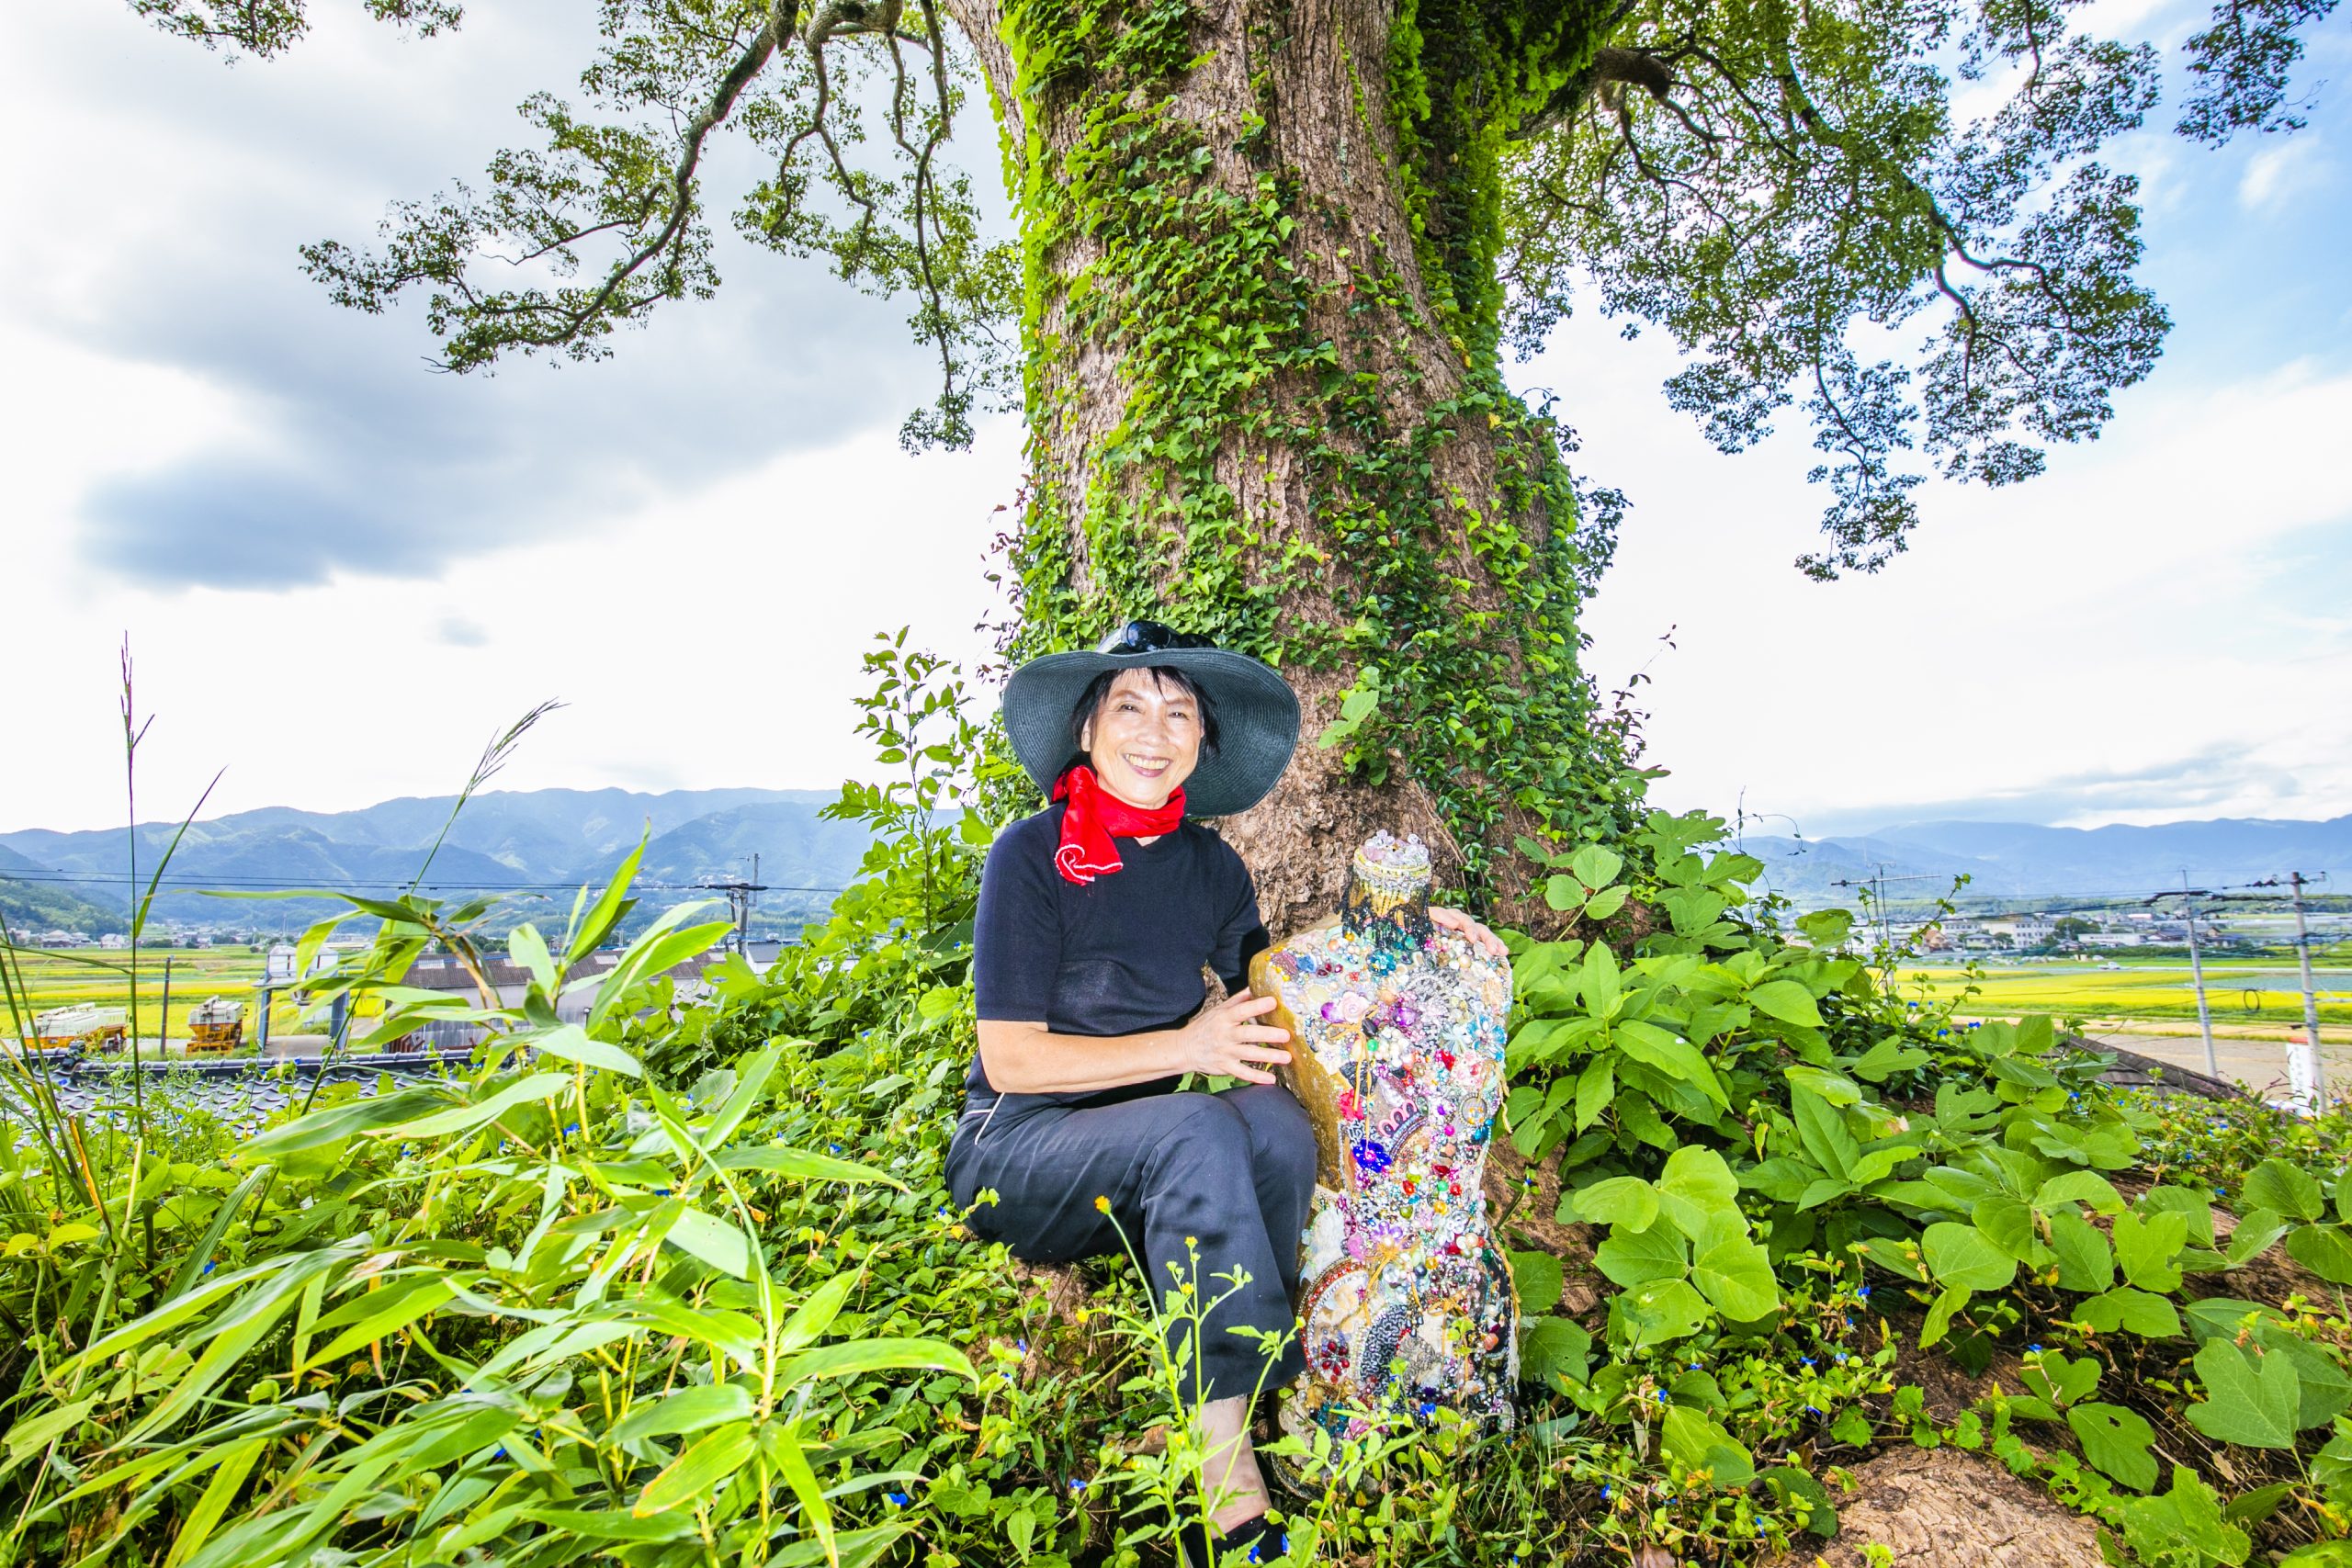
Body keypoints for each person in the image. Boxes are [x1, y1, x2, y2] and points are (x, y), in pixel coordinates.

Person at [944, 621, 1506, 1566]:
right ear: (1086, 730)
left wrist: (1399, 929)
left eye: (1179, 713)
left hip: (1146, 1150)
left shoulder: (1209, 866)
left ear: (1202, 741)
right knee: (1201, 1126)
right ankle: (1225, 1473)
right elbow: (1012, 1060)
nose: (1153, 732)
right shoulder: (1030, 853)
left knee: (1275, 1127)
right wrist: (1187, 1045)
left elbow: (1282, 982)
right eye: (1129, 706)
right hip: (1018, 1149)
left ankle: (1255, 1384)